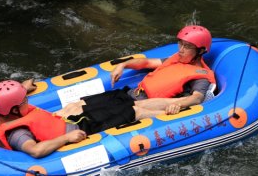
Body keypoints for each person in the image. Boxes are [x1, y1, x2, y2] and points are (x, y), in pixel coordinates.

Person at [53, 25, 216, 133]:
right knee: (75, 105)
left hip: (139, 104)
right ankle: (42, 122)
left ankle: (54, 133)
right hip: (126, 94)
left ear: (201, 50)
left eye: (187, 46)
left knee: (84, 116)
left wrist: (177, 104)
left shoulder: (201, 76)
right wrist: (123, 65)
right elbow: (145, 62)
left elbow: (197, 98)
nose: (180, 49)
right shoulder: (175, 58)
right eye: (180, 44)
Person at [0, 80, 87, 158]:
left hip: (67, 122)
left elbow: (5, 99)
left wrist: (22, 89)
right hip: (80, 132)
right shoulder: (18, 134)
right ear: (15, 110)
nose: (27, 102)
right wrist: (67, 138)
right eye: (25, 100)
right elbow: (35, 151)